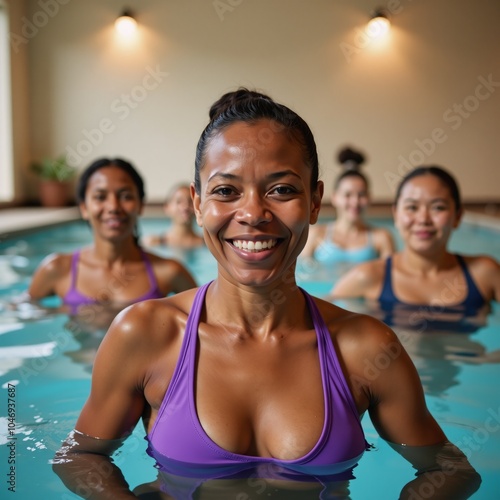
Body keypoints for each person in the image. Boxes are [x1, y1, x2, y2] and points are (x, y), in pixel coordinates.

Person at [52, 92, 481, 499]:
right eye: (226, 191)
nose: (254, 213)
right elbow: (79, 455)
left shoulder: (366, 348)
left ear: (315, 201)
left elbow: (449, 469)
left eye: (282, 189)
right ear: (197, 203)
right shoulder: (145, 334)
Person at [28, 158, 197, 312]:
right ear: (84, 208)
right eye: (100, 197)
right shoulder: (57, 269)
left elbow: (206, 321)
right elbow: (24, 313)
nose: (113, 207)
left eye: (125, 196)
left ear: (140, 205)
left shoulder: (169, 271)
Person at [329, 165, 500, 311]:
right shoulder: (368, 276)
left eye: (438, 207)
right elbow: (316, 321)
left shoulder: (484, 274)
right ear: (396, 215)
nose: (423, 219)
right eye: (412, 207)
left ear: (457, 216)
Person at [301, 146, 395, 264]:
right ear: (335, 197)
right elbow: (302, 276)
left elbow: (391, 279)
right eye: (348, 195)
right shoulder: (316, 234)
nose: (355, 202)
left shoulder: (381, 238)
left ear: (369, 198)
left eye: (361, 195)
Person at [142, 183, 204, 249]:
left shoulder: (206, 244)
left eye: (190, 201)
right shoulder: (152, 243)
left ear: (197, 207)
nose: (185, 206)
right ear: (167, 207)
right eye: (179, 201)